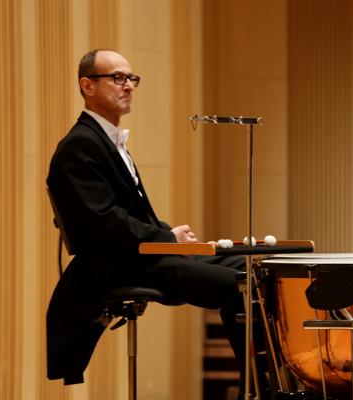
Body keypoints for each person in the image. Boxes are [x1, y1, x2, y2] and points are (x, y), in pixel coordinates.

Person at [46, 49, 247, 388]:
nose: (128, 86)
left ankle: (269, 381)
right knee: (237, 287)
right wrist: (168, 240)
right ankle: (256, 387)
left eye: (131, 79)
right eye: (117, 78)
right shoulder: (79, 146)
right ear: (87, 86)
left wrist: (173, 235)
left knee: (250, 268)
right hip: (119, 265)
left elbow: (129, 215)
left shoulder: (105, 141)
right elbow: (103, 222)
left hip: (141, 255)